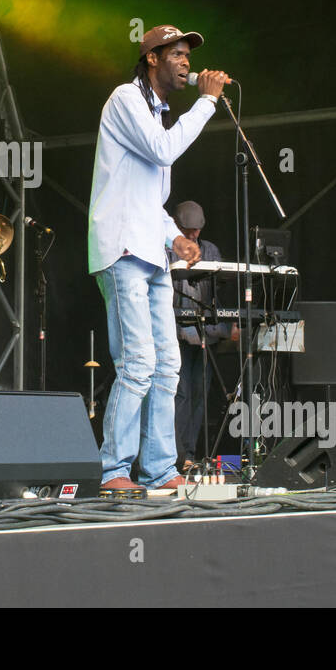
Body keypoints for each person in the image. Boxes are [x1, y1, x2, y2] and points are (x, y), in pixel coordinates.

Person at [88, 24, 229, 493]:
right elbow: (163, 149)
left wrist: (176, 239)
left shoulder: (158, 114)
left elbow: (153, 200)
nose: (187, 62)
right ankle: (113, 471)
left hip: (151, 252)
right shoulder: (125, 100)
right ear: (152, 58)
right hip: (123, 249)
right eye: (178, 54)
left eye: (189, 55)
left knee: (167, 364)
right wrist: (206, 101)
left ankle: (159, 467)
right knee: (137, 363)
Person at [169, 200, 238, 471]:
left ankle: (189, 452)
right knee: (181, 394)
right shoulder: (167, 250)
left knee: (199, 395)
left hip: (205, 336)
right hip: (177, 334)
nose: (194, 235)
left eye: (197, 230)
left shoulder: (211, 250)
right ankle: (175, 455)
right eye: (188, 230)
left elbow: (217, 293)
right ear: (176, 225)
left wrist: (221, 328)